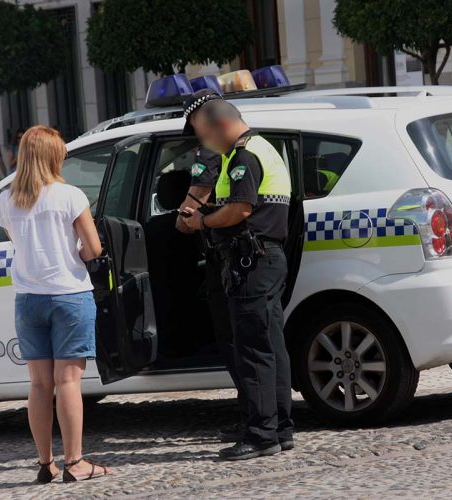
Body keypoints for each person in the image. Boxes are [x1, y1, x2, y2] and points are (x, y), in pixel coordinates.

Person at [181, 95, 294, 461]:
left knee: (253, 350)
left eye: (204, 134)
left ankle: (261, 435)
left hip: (252, 261)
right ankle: (279, 427)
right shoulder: (261, 148)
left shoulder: (244, 155)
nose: (205, 144)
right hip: (266, 258)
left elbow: (239, 210)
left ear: (219, 123)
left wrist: (202, 220)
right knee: (271, 345)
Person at [0, 125, 109, 484]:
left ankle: (45, 463)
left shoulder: (6, 200)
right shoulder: (70, 195)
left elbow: (18, 243)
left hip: (29, 299)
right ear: (54, 155)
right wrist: (72, 251)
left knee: (40, 384)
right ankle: (75, 462)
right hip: (70, 294)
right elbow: (93, 250)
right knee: (69, 381)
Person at [176, 140, 246, 443]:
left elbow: (193, 206)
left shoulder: (212, 150)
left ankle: (258, 421)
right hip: (241, 251)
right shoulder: (243, 148)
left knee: (237, 342)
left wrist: (186, 219)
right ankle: (261, 418)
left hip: (231, 254)